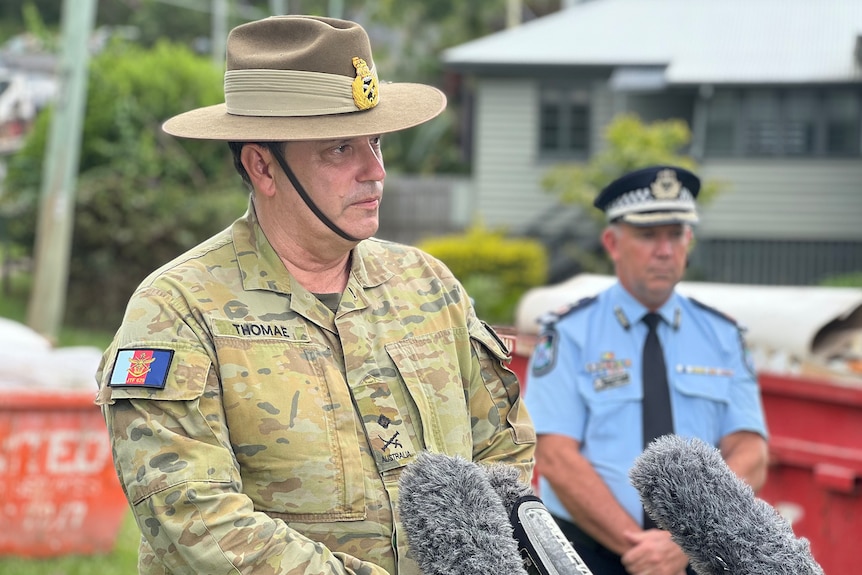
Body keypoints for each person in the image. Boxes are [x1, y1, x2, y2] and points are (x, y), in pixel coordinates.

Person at [94, 15, 535, 575]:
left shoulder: (428, 284)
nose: (374, 171)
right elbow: (193, 517)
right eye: (339, 150)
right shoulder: (177, 309)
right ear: (262, 166)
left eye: (375, 142)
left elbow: (502, 452)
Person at [524, 166, 769, 575]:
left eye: (676, 234)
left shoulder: (722, 336)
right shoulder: (570, 334)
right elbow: (554, 456)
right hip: (587, 553)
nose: (664, 250)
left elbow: (751, 454)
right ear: (612, 243)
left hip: (698, 556)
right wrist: (640, 548)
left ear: (688, 241)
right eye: (647, 235)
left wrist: (683, 545)